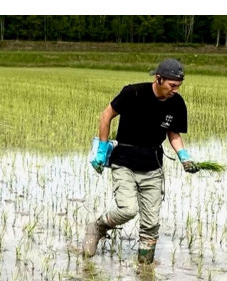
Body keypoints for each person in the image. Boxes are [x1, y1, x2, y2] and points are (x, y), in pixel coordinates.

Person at [84, 58, 199, 264]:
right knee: (127, 209)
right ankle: (98, 227)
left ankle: (145, 273)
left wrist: (184, 156)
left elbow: (173, 133)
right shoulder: (133, 93)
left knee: (151, 224)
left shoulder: (177, 104)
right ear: (159, 78)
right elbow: (106, 115)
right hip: (124, 162)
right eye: (172, 86)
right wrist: (101, 150)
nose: (175, 90)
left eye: (179, 86)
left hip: (153, 167)